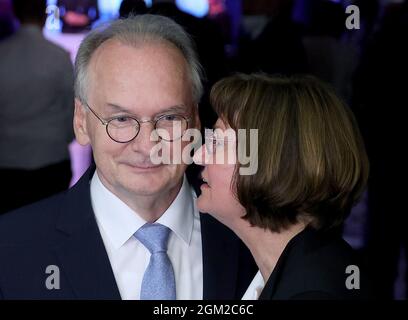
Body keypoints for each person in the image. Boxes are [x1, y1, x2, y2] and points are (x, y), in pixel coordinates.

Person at [0, 15, 256, 300]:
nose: (147, 145)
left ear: (195, 122)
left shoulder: (254, 240)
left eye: (169, 117)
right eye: (121, 119)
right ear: (81, 123)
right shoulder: (10, 249)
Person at [193, 74, 372, 299]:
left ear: (272, 163)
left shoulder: (312, 292)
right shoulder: (300, 269)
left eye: (217, 142)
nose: (199, 156)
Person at [0, 0, 74, 215]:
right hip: (50, 158)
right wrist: (63, 138)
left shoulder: (2, 54)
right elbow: (71, 107)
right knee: (50, 230)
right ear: (44, 15)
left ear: (15, 13)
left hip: (6, 161)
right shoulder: (58, 56)